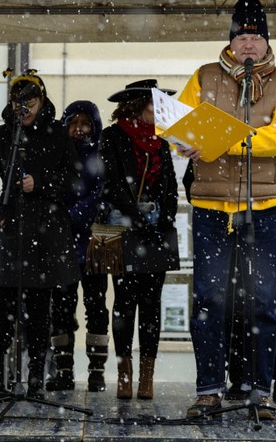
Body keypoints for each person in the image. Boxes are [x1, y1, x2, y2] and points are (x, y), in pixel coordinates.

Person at [178, 0, 276, 419]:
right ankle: (209, 390)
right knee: (209, 299)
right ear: (231, 42)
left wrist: (225, 140)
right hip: (211, 204)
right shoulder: (203, 76)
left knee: (262, 301)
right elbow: (181, 125)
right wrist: (186, 141)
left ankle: (259, 391)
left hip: (263, 205)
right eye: (242, 37)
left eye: (256, 37)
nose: (249, 44)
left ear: (267, 42)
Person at [0, 69, 81, 397]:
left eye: (31, 103)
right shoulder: (3, 135)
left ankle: (35, 378)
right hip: (11, 231)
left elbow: (74, 179)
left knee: (39, 310)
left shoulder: (58, 134)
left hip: (45, 233)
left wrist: (41, 184)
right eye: (19, 104)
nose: (25, 109)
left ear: (42, 101)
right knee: (1, 311)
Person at [98, 79, 180, 400]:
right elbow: (110, 184)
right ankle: (124, 374)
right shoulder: (112, 136)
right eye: (154, 105)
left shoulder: (161, 139)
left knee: (151, 303)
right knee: (123, 301)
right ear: (137, 106)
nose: (159, 111)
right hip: (119, 223)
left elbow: (170, 185)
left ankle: (147, 377)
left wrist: (167, 216)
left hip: (155, 225)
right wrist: (135, 215)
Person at [46, 101, 109, 392]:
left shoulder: (103, 154)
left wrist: (76, 214)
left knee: (97, 307)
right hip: (62, 238)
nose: (79, 129)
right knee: (61, 307)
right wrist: (66, 216)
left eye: (85, 123)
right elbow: (51, 190)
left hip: (100, 236)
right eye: (73, 123)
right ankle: (63, 370)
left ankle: (97, 371)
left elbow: (103, 192)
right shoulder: (57, 153)